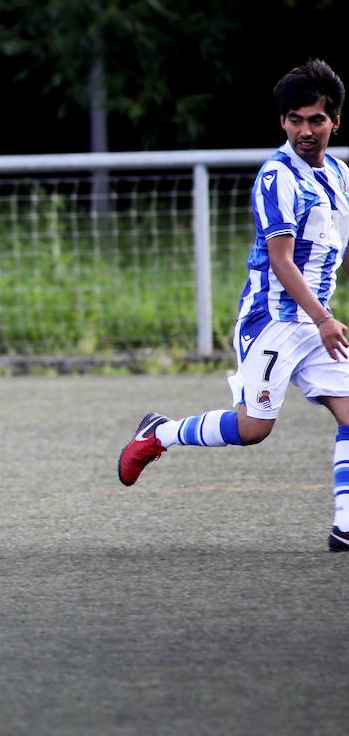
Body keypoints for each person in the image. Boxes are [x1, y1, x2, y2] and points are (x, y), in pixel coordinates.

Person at [118, 59, 349, 551]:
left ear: (335, 122)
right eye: (294, 120)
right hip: (272, 320)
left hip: (315, 323)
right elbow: (281, 261)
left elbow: (341, 251)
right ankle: (162, 433)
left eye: (315, 120)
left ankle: (345, 526)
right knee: (252, 429)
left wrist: (322, 319)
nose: (305, 131)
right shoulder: (277, 177)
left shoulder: (340, 175)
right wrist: (325, 318)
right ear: (282, 121)